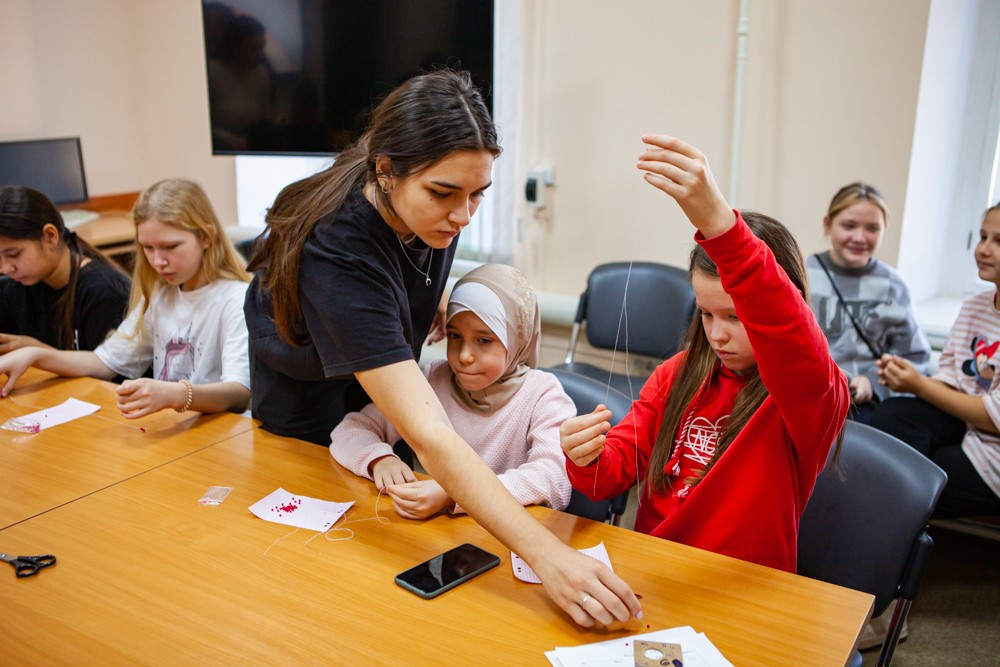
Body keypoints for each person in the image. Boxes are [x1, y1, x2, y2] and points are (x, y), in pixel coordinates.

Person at [245, 69, 642, 627]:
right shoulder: (338, 249)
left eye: (478, 194)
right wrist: (549, 556)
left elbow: (409, 266)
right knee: (324, 570)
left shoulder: (429, 214)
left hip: (361, 371)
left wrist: (420, 300)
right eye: (444, 193)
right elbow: (430, 436)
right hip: (306, 399)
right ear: (386, 171)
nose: (462, 216)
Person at [560, 135, 850, 573]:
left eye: (736, 316)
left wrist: (720, 225)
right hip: (657, 574)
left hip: (742, 587)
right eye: (707, 314)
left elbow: (788, 327)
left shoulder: (811, 395)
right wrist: (586, 456)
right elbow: (610, 475)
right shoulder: (676, 374)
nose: (717, 335)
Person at [330, 263, 574, 517]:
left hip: (504, 534)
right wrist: (379, 459)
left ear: (517, 339)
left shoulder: (543, 395)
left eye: (484, 340)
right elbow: (351, 429)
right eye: (455, 336)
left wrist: (457, 493)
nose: (465, 356)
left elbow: (553, 479)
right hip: (430, 529)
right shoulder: (435, 379)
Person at [0, 178, 251, 418]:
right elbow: (103, 362)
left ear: (206, 237)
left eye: (170, 247)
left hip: (225, 432)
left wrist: (177, 394)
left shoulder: (236, 299)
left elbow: (240, 393)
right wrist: (34, 355)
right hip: (178, 426)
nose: (158, 261)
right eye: (148, 248)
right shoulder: (161, 294)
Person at [872, 201, 1000, 519]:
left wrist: (919, 385)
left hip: (992, 450)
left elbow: (993, 416)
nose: (983, 249)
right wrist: (906, 378)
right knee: (891, 416)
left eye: (998, 241)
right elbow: (951, 376)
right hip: (964, 423)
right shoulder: (975, 306)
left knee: (912, 481)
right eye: (983, 237)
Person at [807, 182, 930, 423]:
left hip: (863, 406)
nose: (859, 237)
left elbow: (915, 358)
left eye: (872, 228)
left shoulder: (893, 285)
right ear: (827, 224)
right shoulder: (803, 273)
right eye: (848, 226)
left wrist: (873, 383)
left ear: (884, 230)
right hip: (809, 396)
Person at [0, 185, 130, 354]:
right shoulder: (19, 287)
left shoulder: (105, 293)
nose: (5, 268)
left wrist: (37, 352)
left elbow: (109, 369)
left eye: (14, 254)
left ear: (50, 236)